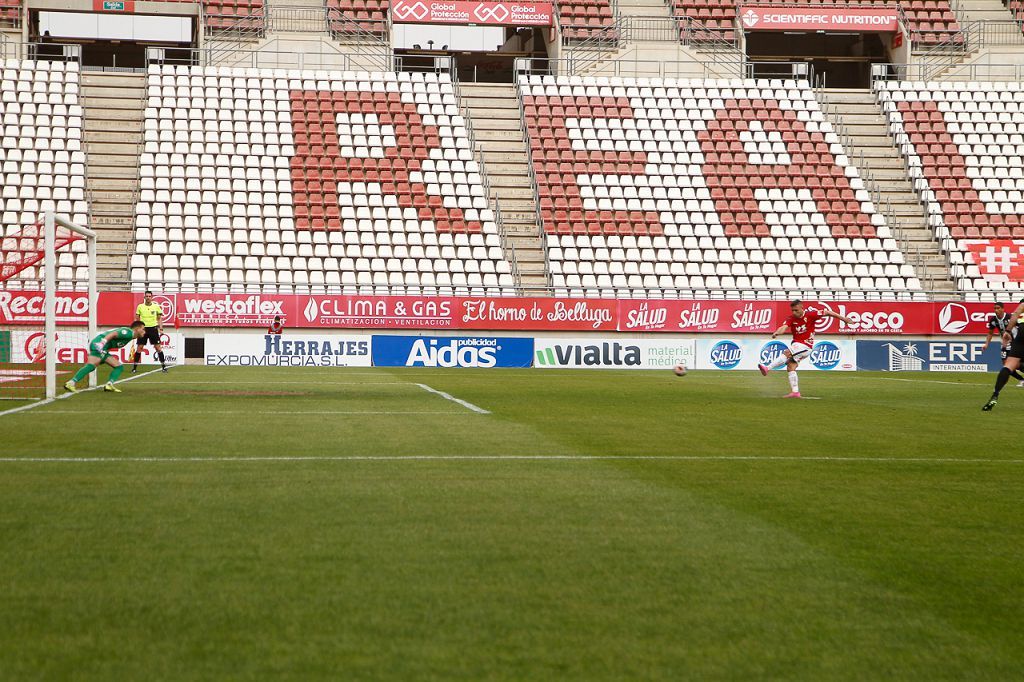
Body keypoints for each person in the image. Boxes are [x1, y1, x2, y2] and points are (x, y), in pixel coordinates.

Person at [757, 300, 854, 398]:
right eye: (792, 310)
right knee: (791, 366)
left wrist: (844, 319)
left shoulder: (811, 315)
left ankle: (767, 368)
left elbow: (828, 312)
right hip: (798, 345)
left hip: (806, 345)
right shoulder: (791, 318)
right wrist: (777, 332)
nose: (794, 312)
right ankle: (795, 392)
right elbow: (784, 327)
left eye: (796, 310)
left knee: (787, 352)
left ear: (801, 307)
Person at [64, 321, 146, 394]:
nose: (144, 332)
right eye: (143, 329)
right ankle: (71, 383)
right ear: (137, 329)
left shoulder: (131, 336)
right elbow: (113, 334)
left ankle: (109, 385)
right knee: (91, 365)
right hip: (99, 345)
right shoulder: (128, 332)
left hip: (103, 348)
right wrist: (102, 344)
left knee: (118, 366)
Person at [983, 299, 1024, 411]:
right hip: (1011, 341)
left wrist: (1008, 331)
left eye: (998, 308)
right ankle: (1022, 379)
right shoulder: (993, 320)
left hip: (1019, 337)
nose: (996, 310)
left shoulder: (1015, 312)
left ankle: (995, 394)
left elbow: (1016, 314)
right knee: (1006, 363)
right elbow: (990, 332)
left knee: (1008, 366)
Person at [132, 290, 167, 373]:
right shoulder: (140, 306)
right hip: (143, 330)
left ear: (152, 297)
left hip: (153, 329)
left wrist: (161, 329)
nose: (148, 298)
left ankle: (163, 367)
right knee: (139, 348)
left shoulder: (156, 306)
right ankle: (134, 368)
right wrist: (137, 329)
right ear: (144, 297)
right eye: (146, 296)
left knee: (158, 348)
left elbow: (159, 318)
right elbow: (137, 318)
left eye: (149, 296)